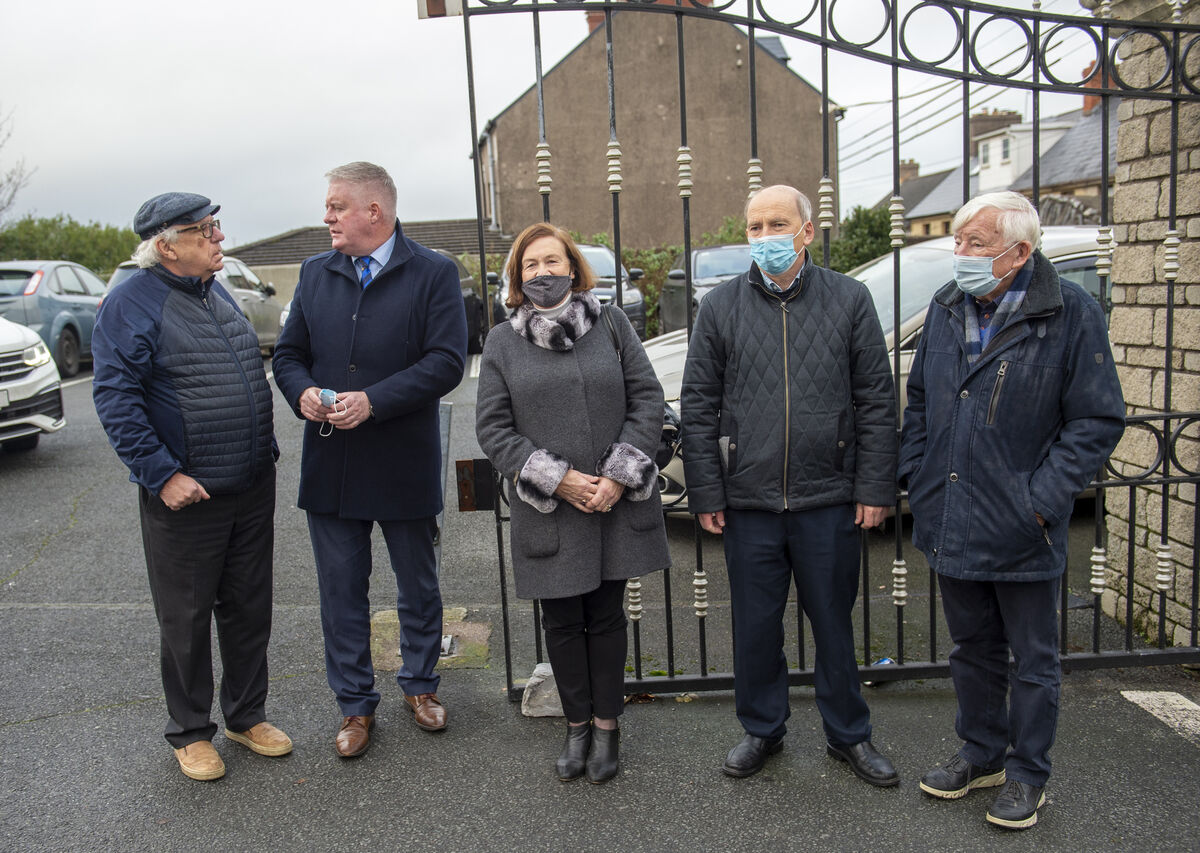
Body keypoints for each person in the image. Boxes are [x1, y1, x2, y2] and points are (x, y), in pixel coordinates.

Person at [899, 191, 1124, 829]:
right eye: (960, 241)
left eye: (976, 244)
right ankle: (982, 752)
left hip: (1025, 524)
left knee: (1034, 659)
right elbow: (918, 405)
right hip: (951, 514)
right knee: (972, 649)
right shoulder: (947, 309)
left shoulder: (1071, 314)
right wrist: (917, 474)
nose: (961, 254)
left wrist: (1043, 502)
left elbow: (1097, 420)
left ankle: (1028, 774)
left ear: (1020, 252)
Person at [681, 185, 898, 785]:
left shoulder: (850, 299)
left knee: (832, 623)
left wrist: (874, 487)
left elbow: (876, 401)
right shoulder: (720, 307)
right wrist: (707, 492)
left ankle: (849, 736)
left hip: (828, 497)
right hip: (748, 502)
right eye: (755, 227)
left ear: (806, 231)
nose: (765, 236)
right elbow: (696, 405)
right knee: (755, 627)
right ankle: (761, 729)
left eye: (778, 224)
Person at [92, 193, 291, 781]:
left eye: (216, 227)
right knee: (186, 617)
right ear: (165, 244)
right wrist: (161, 474)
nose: (218, 239)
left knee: (249, 609)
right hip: (187, 494)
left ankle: (245, 716)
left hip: (249, 484)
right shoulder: (130, 302)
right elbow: (115, 398)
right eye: (205, 231)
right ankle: (189, 732)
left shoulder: (213, 290)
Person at [273, 162, 467, 758]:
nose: (326, 217)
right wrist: (302, 391)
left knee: (418, 585)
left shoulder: (434, 271)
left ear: (374, 212)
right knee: (340, 591)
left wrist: (374, 402)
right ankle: (355, 707)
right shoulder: (314, 272)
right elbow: (288, 355)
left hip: (404, 459)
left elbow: (446, 362)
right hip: (332, 464)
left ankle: (421, 686)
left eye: (336, 206)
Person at [475, 222, 669, 784]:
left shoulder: (611, 324)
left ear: (572, 267)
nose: (542, 273)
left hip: (611, 503)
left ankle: (608, 728)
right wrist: (556, 479)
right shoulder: (502, 342)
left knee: (606, 618)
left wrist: (617, 475)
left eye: (551, 261)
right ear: (517, 276)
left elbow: (648, 398)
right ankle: (576, 727)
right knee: (562, 623)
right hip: (550, 510)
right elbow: (493, 427)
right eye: (530, 265)